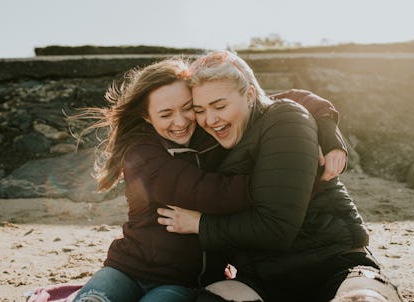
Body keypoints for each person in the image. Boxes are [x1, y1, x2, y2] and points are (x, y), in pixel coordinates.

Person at [68, 57, 347, 302]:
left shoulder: (209, 129)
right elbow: (209, 193)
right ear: (147, 116)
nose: (181, 121)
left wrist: (327, 128)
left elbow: (278, 99)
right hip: (127, 268)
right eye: (165, 114)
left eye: (189, 107)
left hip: (183, 280)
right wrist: (285, 178)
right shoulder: (142, 155)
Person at [156, 51, 404, 302]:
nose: (210, 119)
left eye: (220, 106)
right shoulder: (210, 138)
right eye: (199, 110)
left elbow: (276, 227)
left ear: (250, 95)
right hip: (261, 277)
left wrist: (201, 225)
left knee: (363, 300)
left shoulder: (284, 119)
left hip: (335, 264)